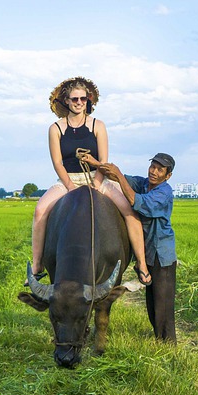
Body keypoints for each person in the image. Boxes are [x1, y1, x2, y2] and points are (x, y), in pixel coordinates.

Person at [29, 77, 150, 286]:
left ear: (88, 100)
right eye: (74, 99)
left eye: (83, 99)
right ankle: (38, 265)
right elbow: (57, 162)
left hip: (97, 177)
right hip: (68, 180)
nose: (79, 103)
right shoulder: (55, 128)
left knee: (129, 211)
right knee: (40, 211)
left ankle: (141, 263)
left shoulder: (98, 125)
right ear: (66, 101)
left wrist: (98, 183)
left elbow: (103, 160)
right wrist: (70, 186)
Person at [81, 151, 177, 342]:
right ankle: (159, 338)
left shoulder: (163, 193)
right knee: (152, 301)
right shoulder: (144, 184)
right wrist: (95, 163)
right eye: (152, 167)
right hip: (147, 252)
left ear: (168, 176)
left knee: (163, 303)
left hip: (161, 254)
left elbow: (136, 201)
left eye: (160, 170)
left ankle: (168, 343)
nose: (154, 172)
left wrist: (118, 176)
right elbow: (117, 176)